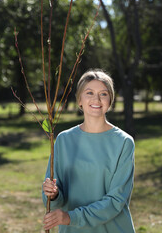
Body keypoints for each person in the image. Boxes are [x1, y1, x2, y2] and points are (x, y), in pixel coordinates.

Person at [42, 69, 135, 233]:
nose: (96, 99)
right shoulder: (63, 140)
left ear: (110, 100)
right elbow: (53, 201)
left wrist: (72, 217)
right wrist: (53, 194)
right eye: (89, 92)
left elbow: (116, 200)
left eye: (103, 94)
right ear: (79, 100)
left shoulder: (124, 142)